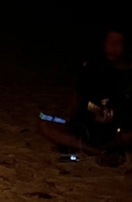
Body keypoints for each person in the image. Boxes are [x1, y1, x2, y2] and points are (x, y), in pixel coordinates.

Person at [38, 27, 132, 164]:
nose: (112, 47)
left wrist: (115, 116)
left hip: (116, 132)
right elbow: (82, 99)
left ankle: (103, 150)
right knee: (44, 125)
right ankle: (98, 152)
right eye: (109, 42)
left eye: (117, 43)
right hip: (88, 127)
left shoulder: (128, 75)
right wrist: (95, 110)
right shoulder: (95, 66)